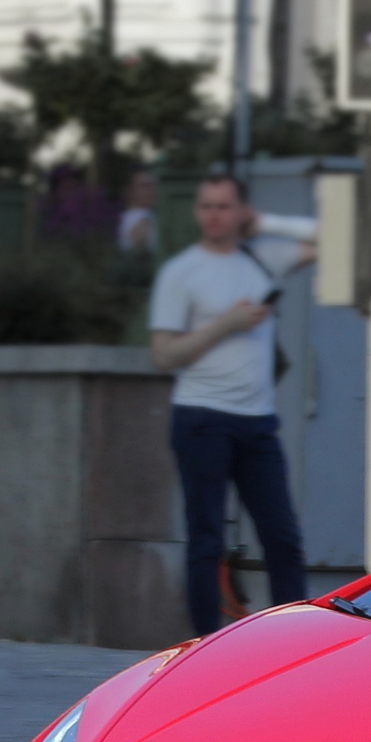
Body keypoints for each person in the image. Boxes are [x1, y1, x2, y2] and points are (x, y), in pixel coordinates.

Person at [149, 172, 317, 637]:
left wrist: (271, 222)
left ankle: (290, 642)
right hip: (202, 417)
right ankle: (204, 645)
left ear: (242, 212)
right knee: (206, 540)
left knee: (283, 538)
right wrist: (228, 324)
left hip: (257, 423)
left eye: (224, 206)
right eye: (206, 206)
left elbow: (333, 241)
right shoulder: (182, 272)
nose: (214, 216)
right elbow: (163, 354)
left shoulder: (262, 258)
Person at [116, 168, 162, 257]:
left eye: (154, 185)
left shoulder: (149, 214)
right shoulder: (141, 217)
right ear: (130, 190)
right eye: (145, 186)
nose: (153, 190)